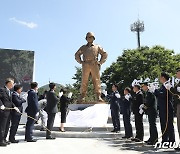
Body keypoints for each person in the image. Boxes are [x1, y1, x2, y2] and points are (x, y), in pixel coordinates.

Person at [75, 32, 108, 102]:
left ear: (93, 38)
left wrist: (100, 62)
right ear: (86, 39)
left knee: (96, 80)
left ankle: (98, 96)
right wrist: (81, 62)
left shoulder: (97, 46)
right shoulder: (83, 47)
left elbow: (104, 54)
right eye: (88, 37)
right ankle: (82, 95)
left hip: (94, 64)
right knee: (84, 80)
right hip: (85, 65)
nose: (89, 38)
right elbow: (77, 54)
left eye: (91, 37)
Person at [154, 72, 175, 143]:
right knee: (163, 124)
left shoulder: (168, 85)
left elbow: (163, 95)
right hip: (162, 108)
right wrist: (155, 91)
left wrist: (156, 91)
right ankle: (165, 139)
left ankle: (172, 141)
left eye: (160, 77)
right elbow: (159, 95)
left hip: (167, 108)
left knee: (169, 125)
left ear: (163, 78)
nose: (160, 79)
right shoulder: (162, 86)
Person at [0, 78, 20, 146]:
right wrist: (1, 105)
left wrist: (14, 107)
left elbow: (10, 101)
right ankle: (1, 140)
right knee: (2, 126)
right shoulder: (2, 90)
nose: (13, 84)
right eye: (12, 83)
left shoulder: (9, 91)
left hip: (9, 111)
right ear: (8, 83)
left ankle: (4, 139)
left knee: (7, 126)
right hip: (3, 111)